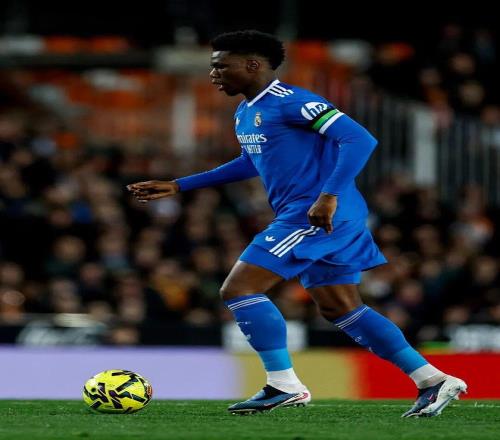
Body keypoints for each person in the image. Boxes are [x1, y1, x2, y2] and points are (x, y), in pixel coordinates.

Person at [127, 30, 466, 417]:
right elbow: (252, 161)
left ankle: (283, 384)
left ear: (252, 65)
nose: (213, 74)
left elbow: (359, 139)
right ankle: (431, 379)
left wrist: (328, 195)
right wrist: (180, 185)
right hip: (322, 214)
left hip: (317, 213)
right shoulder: (245, 111)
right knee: (340, 307)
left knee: (239, 288)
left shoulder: (293, 101)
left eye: (221, 66)